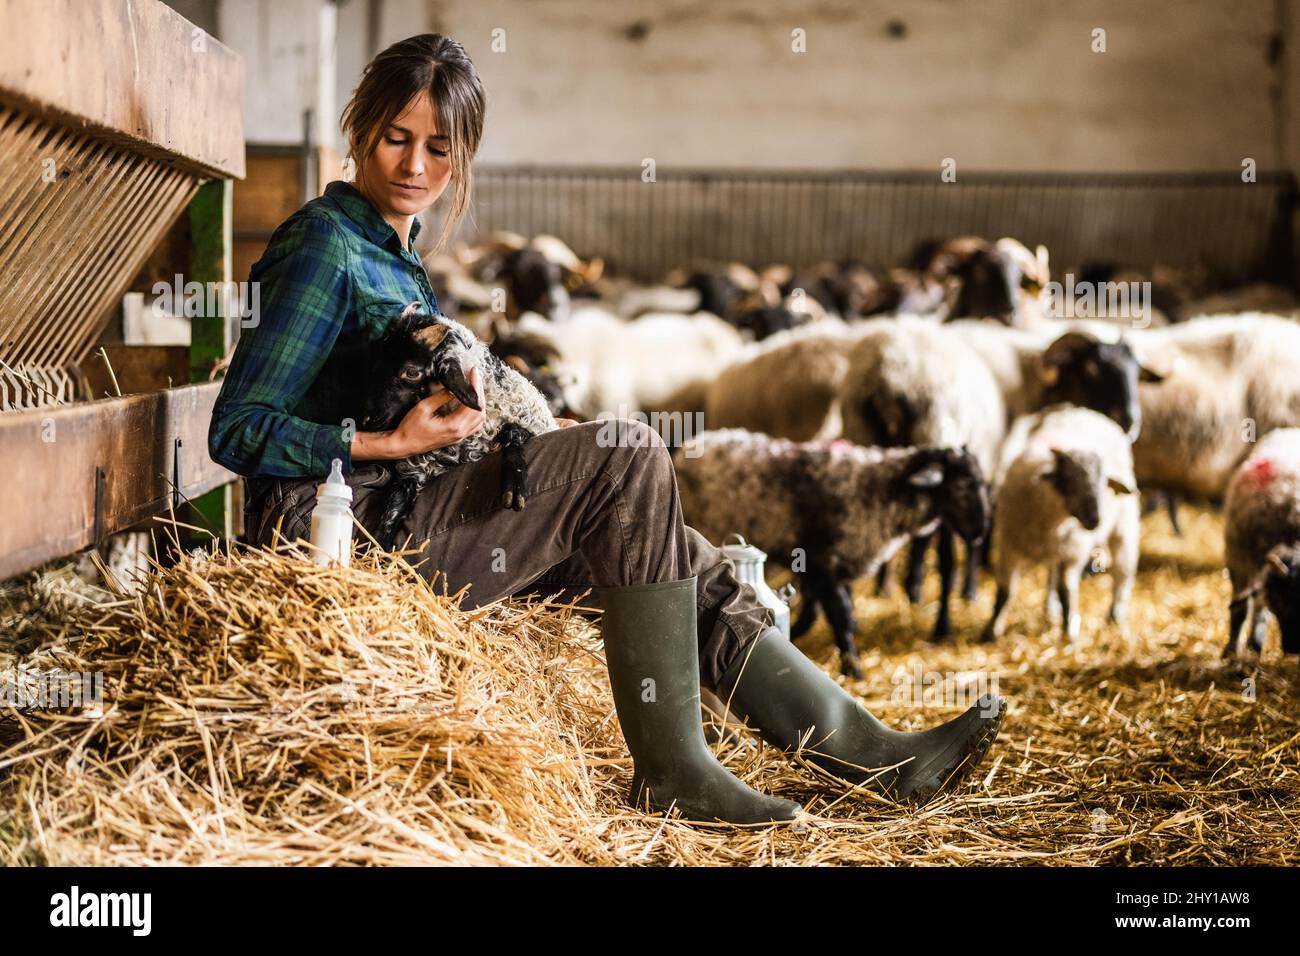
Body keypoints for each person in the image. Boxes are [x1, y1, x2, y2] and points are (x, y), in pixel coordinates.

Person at [208, 33, 1007, 826]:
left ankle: (872, 755)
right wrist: (385, 444)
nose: (416, 166)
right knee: (628, 454)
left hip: (411, 507)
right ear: (359, 130)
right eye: (396, 139)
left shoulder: (398, 253)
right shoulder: (325, 243)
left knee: (670, 547)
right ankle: (675, 773)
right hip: (345, 543)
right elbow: (238, 429)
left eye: (440, 148)